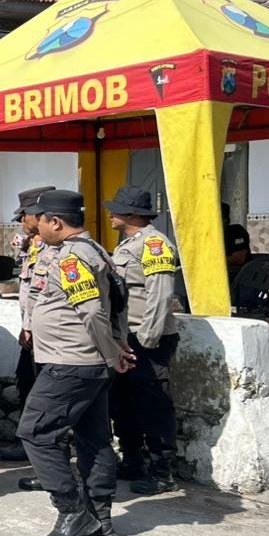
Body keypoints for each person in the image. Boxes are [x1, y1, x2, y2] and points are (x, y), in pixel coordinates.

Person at [19, 189, 129, 536]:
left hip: (71, 362)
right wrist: (116, 344)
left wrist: (112, 352)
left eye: (40, 220)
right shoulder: (95, 249)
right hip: (85, 361)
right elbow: (118, 301)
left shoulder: (72, 257)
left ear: (55, 222)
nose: (36, 227)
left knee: (36, 431)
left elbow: (93, 311)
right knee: (93, 439)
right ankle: (101, 520)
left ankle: (71, 509)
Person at [106, 185, 181, 496]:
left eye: (116, 209)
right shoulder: (129, 244)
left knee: (153, 405)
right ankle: (132, 460)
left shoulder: (154, 244)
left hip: (148, 337)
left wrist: (147, 339)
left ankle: (162, 472)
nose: (110, 214)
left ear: (132, 214)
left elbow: (160, 295)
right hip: (127, 336)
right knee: (122, 402)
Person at [0, 185, 56, 467]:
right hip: (31, 333)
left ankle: (43, 450)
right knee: (26, 384)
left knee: (43, 394)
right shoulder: (34, 245)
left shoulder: (53, 248)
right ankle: (31, 445)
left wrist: (31, 326)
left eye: (24, 216)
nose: (21, 221)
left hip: (46, 335)